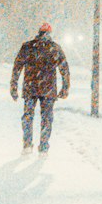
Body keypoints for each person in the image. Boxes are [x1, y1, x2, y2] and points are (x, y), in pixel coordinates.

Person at [10, 21, 70, 153]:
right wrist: (65, 88)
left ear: (39, 33)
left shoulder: (28, 47)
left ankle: (27, 144)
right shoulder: (55, 48)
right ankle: (43, 146)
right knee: (47, 118)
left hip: (30, 87)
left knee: (28, 116)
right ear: (50, 33)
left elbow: (17, 68)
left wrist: (13, 86)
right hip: (48, 89)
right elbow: (64, 69)